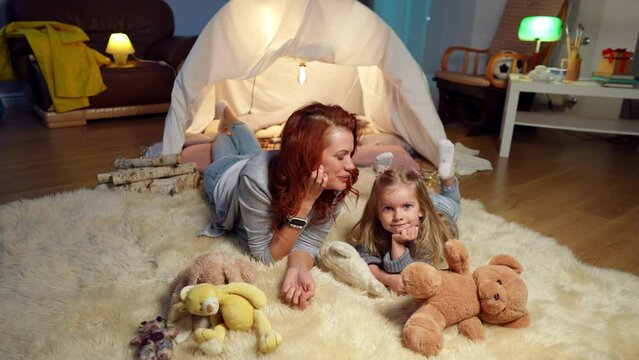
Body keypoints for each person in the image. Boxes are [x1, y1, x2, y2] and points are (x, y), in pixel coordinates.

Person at [201, 100, 360, 309]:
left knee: (251, 146)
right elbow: (266, 256)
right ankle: (226, 124)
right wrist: (306, 203)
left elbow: (310, 241)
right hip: (225, 175)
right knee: (222, 140)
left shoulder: (336, 180)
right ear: (308, 156)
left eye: (350, 154)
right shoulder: (256, 181)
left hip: (266, 161)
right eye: (341, 156)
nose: (351, 166)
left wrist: (297, 266)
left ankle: (233, 120)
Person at [351, 139, 460, 295]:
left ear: (422, 210)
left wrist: (398, 243)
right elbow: (365, 258)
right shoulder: (373, 230)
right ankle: (384, 176)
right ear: (377, 213)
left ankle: (447, 176)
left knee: (454, 201)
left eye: (405, 207)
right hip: (415, 200)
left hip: (441, 209)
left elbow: (408, 273)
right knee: (401, 192)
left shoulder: (428, 236)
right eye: (388, 208)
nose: (398, 217)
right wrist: (387, 279)